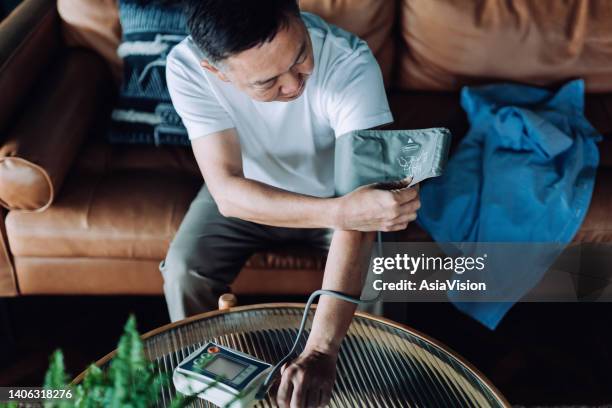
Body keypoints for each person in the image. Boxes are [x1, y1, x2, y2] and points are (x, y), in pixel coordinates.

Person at [161, 1, 420, 406]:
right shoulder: (187, 67)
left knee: (382, 279)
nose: (295, 84)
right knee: (183, 270)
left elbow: (361, 214)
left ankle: (371, 392)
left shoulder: (349, 61)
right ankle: (216, 388)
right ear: (217, 72)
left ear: (298, 15)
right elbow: (227, 192)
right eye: (268, 82)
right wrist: (340, 212)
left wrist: (320, 351)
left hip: (338, 191)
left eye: (301, 58)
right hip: (250, 193)